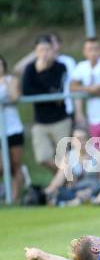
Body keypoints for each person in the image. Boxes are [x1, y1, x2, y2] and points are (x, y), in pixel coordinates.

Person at [22, 35, 71, 173]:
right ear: (36, 52)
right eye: (41, 50)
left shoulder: (61, 67)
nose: (44, 53)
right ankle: (65, 180)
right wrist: (40, 74)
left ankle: (64, 182)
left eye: (47, 49)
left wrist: (41, 73)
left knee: (64, 157)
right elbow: (26, 91)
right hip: (40, 121)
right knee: (42, 157)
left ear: (53, 50)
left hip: (60, 119)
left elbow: (56, 91)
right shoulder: (30, 68)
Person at [44, 126, 100, 206]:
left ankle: (79, 200)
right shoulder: (68, 157)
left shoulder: (99, 154)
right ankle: (78, 200)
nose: (80, 142)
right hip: (76, 189)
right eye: (77, 139)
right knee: (59, 191)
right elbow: (59, 178)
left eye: (83, 139)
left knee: (99, 185)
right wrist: (49, 190)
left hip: (94, 187)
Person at [0, 55, 25, 202]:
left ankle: (14, 199)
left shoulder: (11, 81)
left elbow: (15, 97)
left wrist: (5, 82)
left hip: (13, 128)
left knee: (16, 165)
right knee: (2, 167)